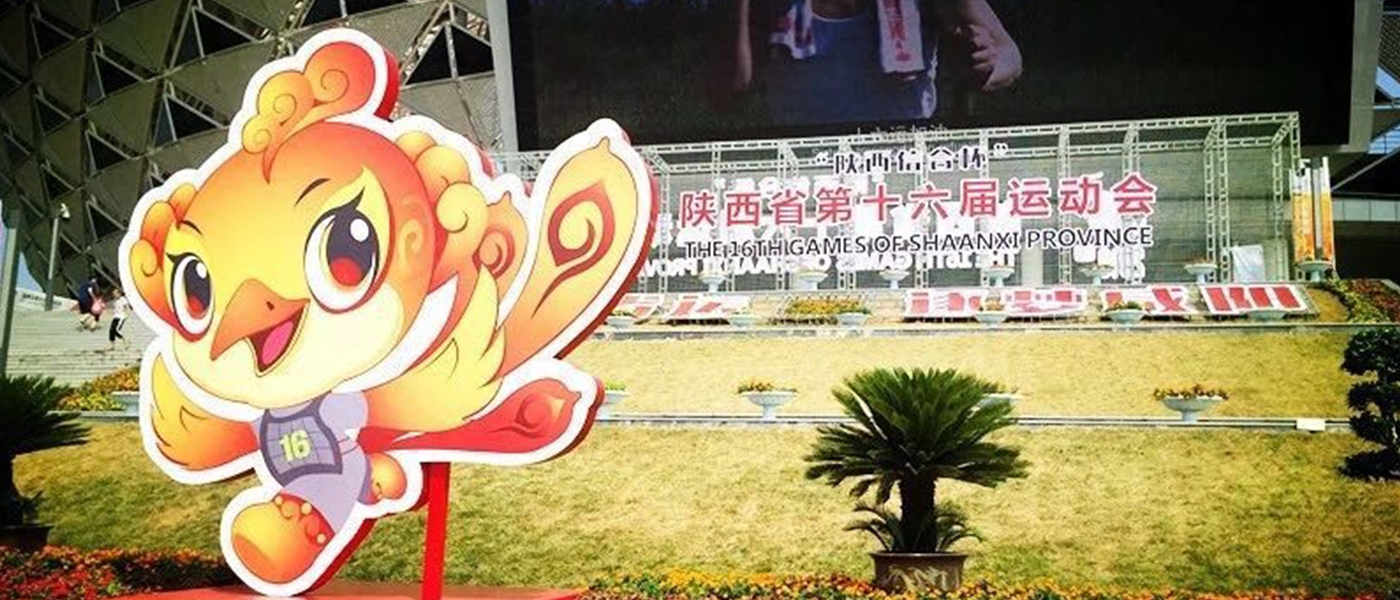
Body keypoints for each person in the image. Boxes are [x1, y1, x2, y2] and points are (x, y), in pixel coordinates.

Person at [728, 0, 1021, 127]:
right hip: (802, 169)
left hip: (901, 165)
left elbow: (1009, 55)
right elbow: (728, 93)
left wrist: (986, 65)